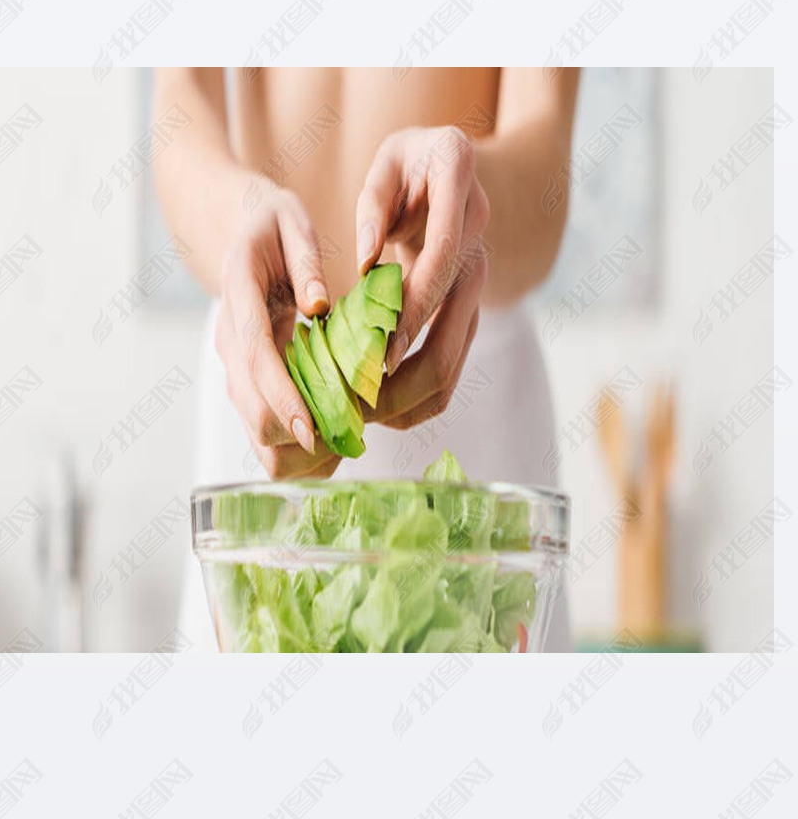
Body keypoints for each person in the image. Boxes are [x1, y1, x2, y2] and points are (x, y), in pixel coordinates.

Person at [153, 68, 580, 651]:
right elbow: (181, 108)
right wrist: (242, 217)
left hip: (466, 377)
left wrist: (464, 195)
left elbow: (544, 158)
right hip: (262, 363)